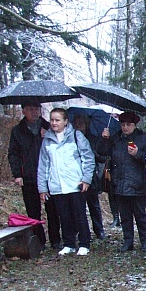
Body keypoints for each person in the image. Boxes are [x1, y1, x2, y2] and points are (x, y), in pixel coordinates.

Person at [37, 108, 95, 256]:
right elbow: (43, 165)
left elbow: (88, 158)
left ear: (65, 121)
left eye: (57, 120)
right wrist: (43, 188)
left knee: (79, 215)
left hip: (75, 184)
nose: (54, 123)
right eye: (52, 120)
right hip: (57, 185)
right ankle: (69, 243)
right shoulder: (47, 140)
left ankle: (84, 243)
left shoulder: (77, 136)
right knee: (64, 217)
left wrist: (86, 179)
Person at [8, 102, 61, 249]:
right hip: (29, 176)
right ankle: (39, 240)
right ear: (24, 111)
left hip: (49, 175)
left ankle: (55, 240)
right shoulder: (17, 131)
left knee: (52, 209)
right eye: (31, 109)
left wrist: (49, 136)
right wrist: (17, 174)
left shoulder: (49, 127)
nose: (35, 112)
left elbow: (61, 146)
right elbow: (13, 154)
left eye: (37, 109)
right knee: (33, 211)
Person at [99, 112, 146, 252]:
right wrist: (104, 139)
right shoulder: (115, 138)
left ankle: (145, 241)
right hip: (119, 182)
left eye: (128, 125)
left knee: (140, 214)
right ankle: (128, 241)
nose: (125, 127)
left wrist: (137, 154)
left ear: (134, 125)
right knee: (125, 215)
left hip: (137, 183)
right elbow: (102, 153)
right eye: (122, 124)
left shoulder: (143, 138)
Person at [72, 114, 106, 240]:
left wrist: (93, 154)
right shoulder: (71, 138)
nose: (78, 126)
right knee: (77, 206)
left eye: (81, 123)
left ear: (87, 124)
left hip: (91, 176)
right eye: (76, 123)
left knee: (94, 205)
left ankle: (99, 229)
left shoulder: (93, 138)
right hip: (75, 176)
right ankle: (79, 230)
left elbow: (102, 157)